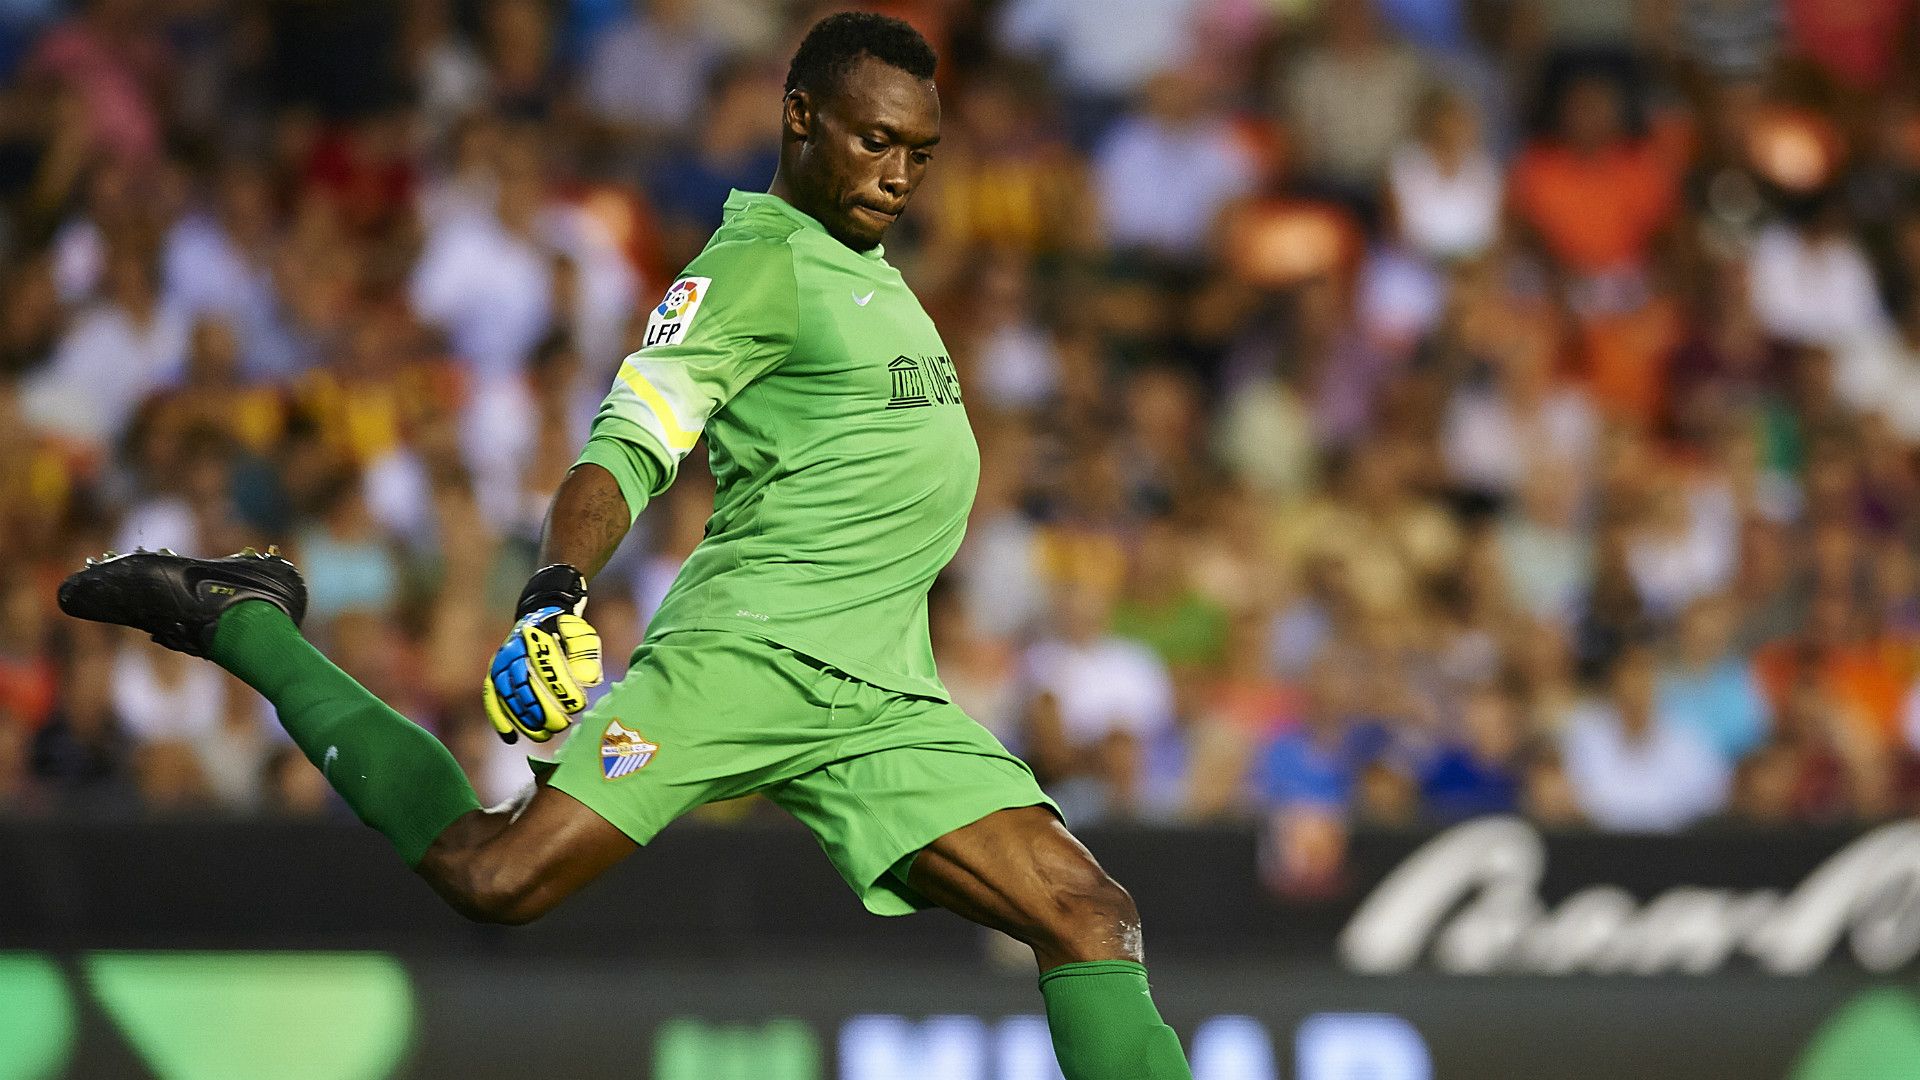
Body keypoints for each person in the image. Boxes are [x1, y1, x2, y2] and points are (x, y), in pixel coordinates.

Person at [57, 13, 1193, 1080]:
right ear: (801, 118)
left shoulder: (869, 269)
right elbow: (629, 442)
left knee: (1088, 914)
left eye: (921, 154)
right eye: (876, 140)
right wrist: (555, 589)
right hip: (749, 657)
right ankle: (245, 620)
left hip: (885, 690)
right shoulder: (758, 263)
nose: (899, 173)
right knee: (495, 874)